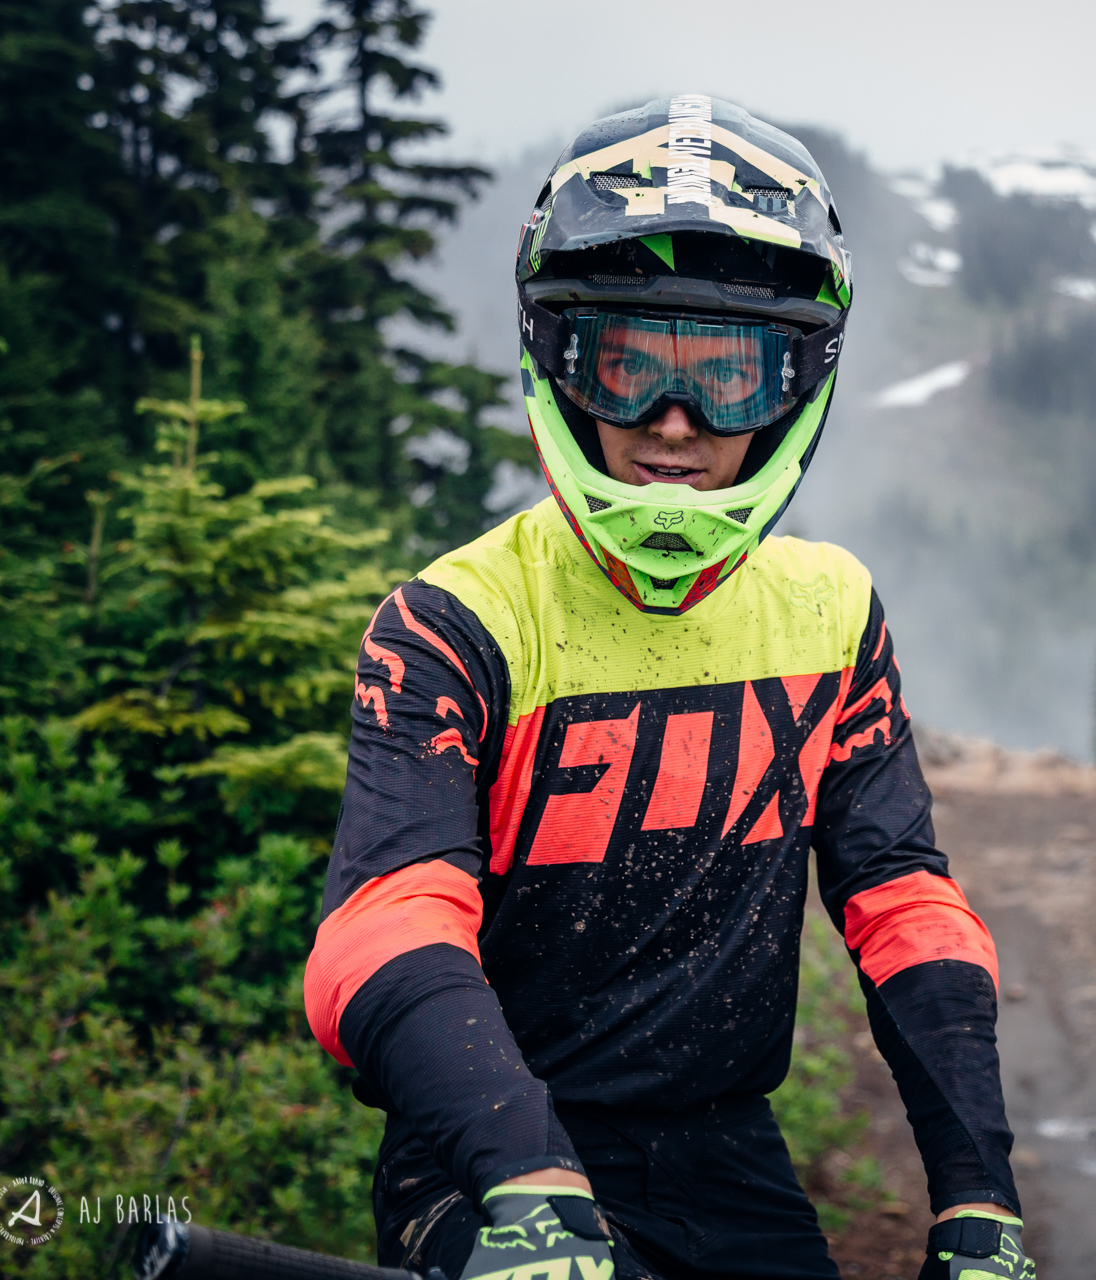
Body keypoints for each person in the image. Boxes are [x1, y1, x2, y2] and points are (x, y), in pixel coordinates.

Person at [303, 95, 1033, 1280]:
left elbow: (902, 902)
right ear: (560, 358)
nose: (674, 427)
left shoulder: (832, 615)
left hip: (726, 1157)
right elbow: (379, 927)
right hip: (486, 1156)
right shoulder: (454, 621)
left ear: (794, 381)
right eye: (629, 364)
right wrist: (524, 1169)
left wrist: (979, 1195)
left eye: (729, 378)